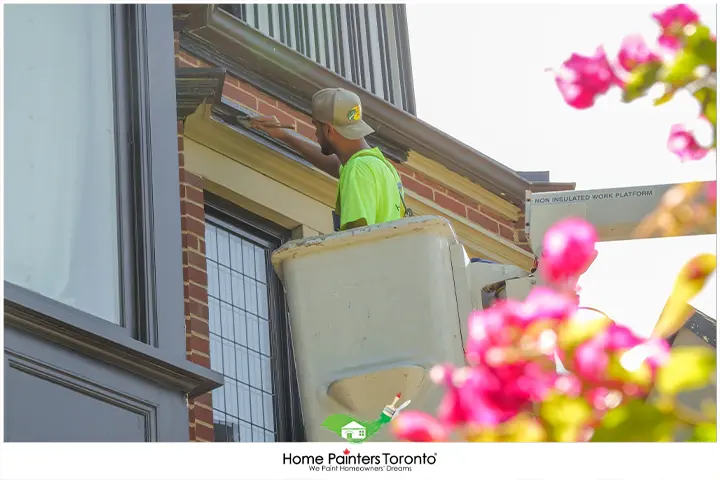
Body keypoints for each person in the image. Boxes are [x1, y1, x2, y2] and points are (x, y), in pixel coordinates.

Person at [250, 87, 410, 231]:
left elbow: (357, 237)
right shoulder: (382, 167)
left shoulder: (357, 170)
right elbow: (335, 165)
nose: (316, 134)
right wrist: (284, 136)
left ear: (328, 129)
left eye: (316, 126)